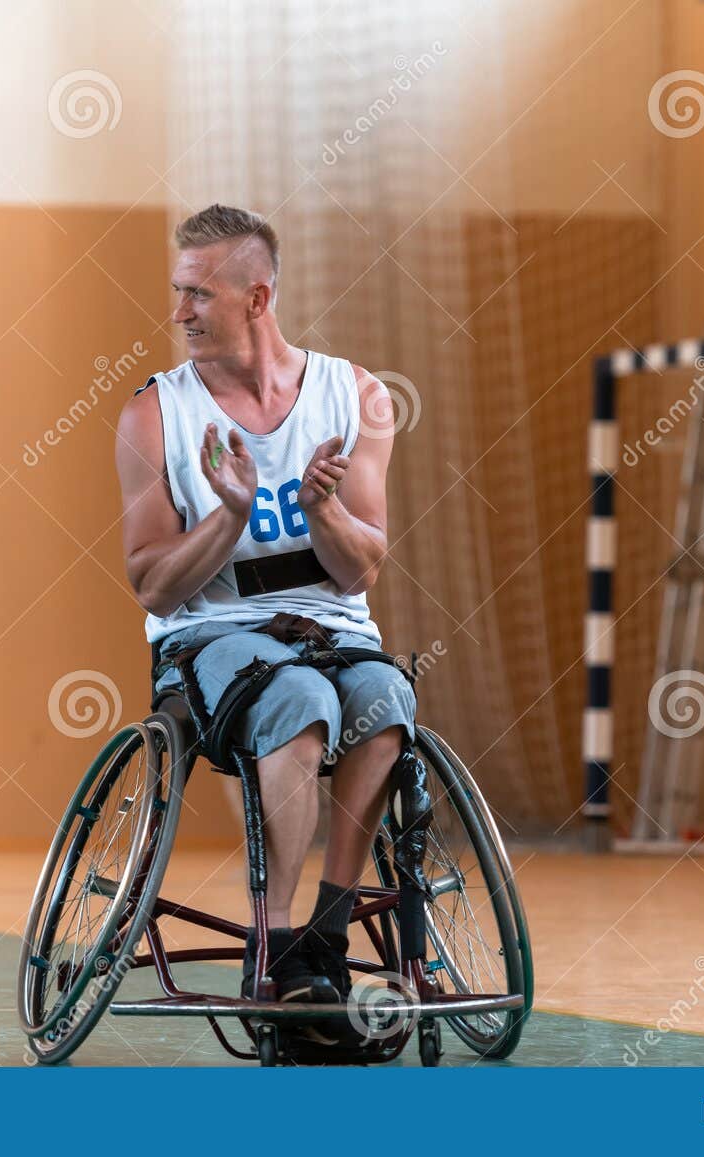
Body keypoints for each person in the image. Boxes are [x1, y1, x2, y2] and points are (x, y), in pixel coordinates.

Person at [115, 204, 411, 1036]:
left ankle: (327, 926)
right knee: (299, 703)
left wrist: (322, 513)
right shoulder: (154, 416)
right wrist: (228, 515)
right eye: (177, 293)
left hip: (332, 628)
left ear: (256, 298)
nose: (179, 314)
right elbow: (152, 587)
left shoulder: (357, 398)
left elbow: (361, 567)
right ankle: (277, 948)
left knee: (385, 702)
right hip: (207, 641)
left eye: (197, 295)